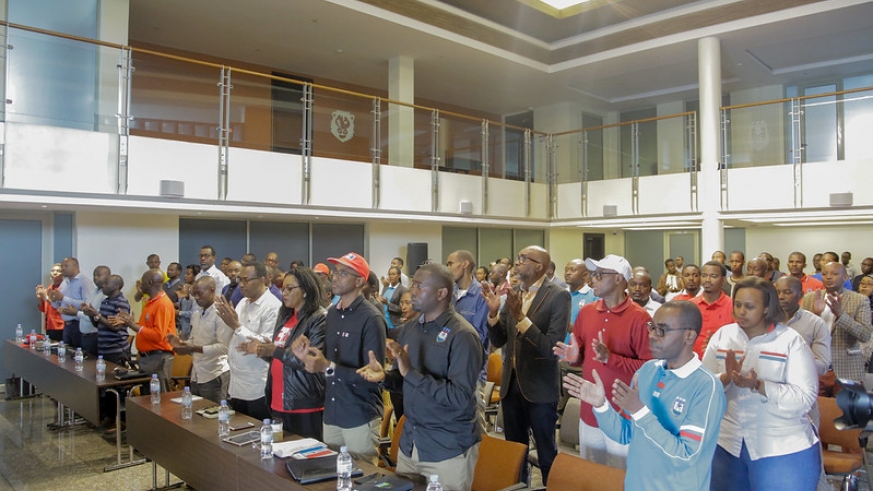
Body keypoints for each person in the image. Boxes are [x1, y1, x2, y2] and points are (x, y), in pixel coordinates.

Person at [564, 300, 726, 491]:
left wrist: (640, 412)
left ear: (689, 336)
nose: (652, 336)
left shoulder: (707, 387)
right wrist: (601, 406)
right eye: (652, 328)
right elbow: (624, 433)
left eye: (662, 330)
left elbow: (686, 455)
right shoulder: (647, 371)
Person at [359, 264, 483, 491]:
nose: (411, 291)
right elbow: (402, 379)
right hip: (411, 443)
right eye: (412, 284)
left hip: (447, 448)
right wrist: (384, 377)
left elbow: (458, 398)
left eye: (419, 286)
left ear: (441, 293)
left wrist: (411, 374)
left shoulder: (462, 336)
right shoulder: (410, 329)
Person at [703, 277, 820, 491]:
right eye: (737, 304)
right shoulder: (723, 336)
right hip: (728, 443)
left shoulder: (789, 341)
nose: (741, 311)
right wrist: (726, 378)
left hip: (781, 446)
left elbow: (805, 399)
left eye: (749, 306)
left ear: (767, 308)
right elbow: (703, 387)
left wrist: (758, 385)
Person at [553, 254, 652, 469]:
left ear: (619, 279)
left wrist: (612, 359)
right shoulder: (587, 312)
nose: (593, 280)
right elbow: (582, 356)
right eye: (593, 275)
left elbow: (650, 367)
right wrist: (575, 357)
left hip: (622, 414)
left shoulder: (640, 317)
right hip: (590, 411)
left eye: (599, 275)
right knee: (591, 474)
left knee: (619, 476)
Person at [483, 245, 569, 484]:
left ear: (539, 266)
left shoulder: (558, 295)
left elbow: (551, 346)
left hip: (539, 386)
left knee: (546, 452)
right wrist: (493, 315)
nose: (516, 263)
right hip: (511, 386)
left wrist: (520, 317)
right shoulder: (515, 293)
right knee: (514, 451)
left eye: (523, 259)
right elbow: (501, 339)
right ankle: (519, 487)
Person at [293, 252, 387, 463]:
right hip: (332, 411)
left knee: (362, 477)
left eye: (343, 273)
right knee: (333, 475)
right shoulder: (333, 313)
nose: (335, 277)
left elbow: (373, 377)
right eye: (335, 272)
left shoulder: (371, 318)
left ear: (359, 281)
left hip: (359, 413)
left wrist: (327, 367)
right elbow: (326, 360)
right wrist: (307, 356)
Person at [243, 267, 327, 440]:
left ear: (305, 290)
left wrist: (274, 350)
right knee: (278, 459)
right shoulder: (285, 315)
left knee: (303, 461)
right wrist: (264, 350)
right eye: (283, 288)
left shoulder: (319, 318)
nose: (284, 293)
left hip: (303, 402)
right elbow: (280, 356)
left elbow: (311, 360)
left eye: (290, 289)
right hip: (278, 400)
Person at [214, 261, 281, 421]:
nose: (241, 285)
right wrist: (226, 322)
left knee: (259, 435)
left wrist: (236, 326)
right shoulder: (243, 303)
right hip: (236, 384)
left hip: (257, 386)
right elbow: (228, 339)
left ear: (263, 279)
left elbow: (266, 346)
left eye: (246, 280)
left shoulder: (273, 306)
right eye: (239, 280)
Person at [801, 261, 872, 383]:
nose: (828, 277)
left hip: (846, 367)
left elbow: (865, 335)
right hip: (815, 366)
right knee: (819, 402)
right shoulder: (810, 298)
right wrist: (815, 315)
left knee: (843, 402)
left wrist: (841, 315)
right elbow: (800, 333)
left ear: (845, 277)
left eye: (834, 274)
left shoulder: (859, 300)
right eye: (824, 274)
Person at [167, 276, 232, 404]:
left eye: (200, 293)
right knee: (196, 415)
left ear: (212, 290)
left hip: (214, 374)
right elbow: (193, 341)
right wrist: (181, 345)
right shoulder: (196, 314)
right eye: (194, 293)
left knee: (213, 418)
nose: (196, 297)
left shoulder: (221, 314)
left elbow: (224, 348)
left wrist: (193, 348)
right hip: (197, 374)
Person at [115, 269, 176, 390]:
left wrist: (133, 325)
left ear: (150, 282)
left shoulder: (162, 304)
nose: (140, 284)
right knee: (146, 402)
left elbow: (159, 335)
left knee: (158, 402)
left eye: (142, 281)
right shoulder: (151, 302)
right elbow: (146, 328)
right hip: (147, 358)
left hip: (158, 359)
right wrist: (129, 323)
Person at [446, 250, 490, 380]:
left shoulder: (481, 294)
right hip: (450, 364)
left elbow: (479, 336)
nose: (448, 268)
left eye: (451, 264)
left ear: (464, 264)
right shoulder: (449, 293)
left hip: (472, 368)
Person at [48, 257, 94, 349]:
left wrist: (64, 298)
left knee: (78, 354)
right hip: (67, 325)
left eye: (66, 266)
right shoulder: (65, 282)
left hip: (79, 324)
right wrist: (52, 299)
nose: (63, 268)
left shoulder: (84, 281)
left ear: (75, 266)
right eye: (62, 266)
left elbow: (88, 305)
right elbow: (59, 305)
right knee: (67, 354)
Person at [691, 261, 733, 357]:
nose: (707, 280)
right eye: (704, 276)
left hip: (721, 362)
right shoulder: (690, 305)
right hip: (693, 362)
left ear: (723, 280)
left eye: (713, 276)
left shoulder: (733, 306)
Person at [88, 274, 131, 366]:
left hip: (116, 350)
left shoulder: (121, 302)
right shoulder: (105, 302)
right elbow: (99, 325)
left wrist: (98, 316)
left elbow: (116, 327)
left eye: (106, 284)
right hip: (103, 348)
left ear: (116, 286)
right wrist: (91, 315)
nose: (103, 286)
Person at [36, 263, 65, 341]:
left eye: (58, 271)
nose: (55, 273)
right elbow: (43, 309)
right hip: (49, 325)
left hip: (60, 325)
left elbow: (58, 306)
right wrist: (40, 297)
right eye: (53, 271)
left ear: (63, 274)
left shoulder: (64, 288)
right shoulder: (49, 288)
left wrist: (45, 296)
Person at [377, 266, 407, 331]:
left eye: (393, 274)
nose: (391, 276)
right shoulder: (385, 288)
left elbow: (401, 309)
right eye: (389, 274)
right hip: (383, 323)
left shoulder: (403, 290)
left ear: (399, 275)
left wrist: (388, 304)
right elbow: (382, 304)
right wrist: (378, 299)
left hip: (394, 324)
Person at [175, 264, 200, 340]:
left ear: (196, 276)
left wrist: (179, 313)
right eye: (185, 274)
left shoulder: (198, 292)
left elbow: (195, 313)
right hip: (182, 327)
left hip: (191, 328)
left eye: (188, 274)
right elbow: (180, 305)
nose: (185, 276)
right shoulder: (184, 288)